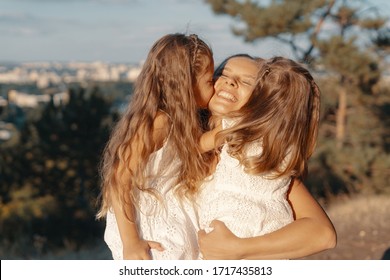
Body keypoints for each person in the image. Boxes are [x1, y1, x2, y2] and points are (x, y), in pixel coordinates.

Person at [196, 55, 337, 259]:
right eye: (222, 74)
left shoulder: (263, 163)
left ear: (262, 99)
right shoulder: (170, 136)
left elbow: (323, 235)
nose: (230, 82)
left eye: (246, 81)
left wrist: (239, 249)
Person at [96, 33, 215, 260]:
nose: (215, 85)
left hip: (169, 218)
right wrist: (131, 241)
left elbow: (193, 147)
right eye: (209, 80)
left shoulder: (178, 122)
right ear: (186, 84)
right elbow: (119, 179)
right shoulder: (157, 123)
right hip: (148, 228)